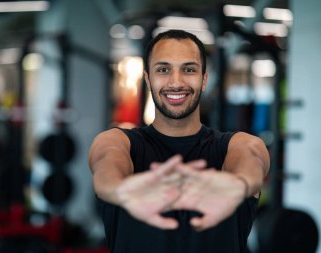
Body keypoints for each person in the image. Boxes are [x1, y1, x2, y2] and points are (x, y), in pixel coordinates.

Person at [88, 29, 270, 253]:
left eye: (189, 69)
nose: (176, 82)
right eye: (163, 70)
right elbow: (106, 166)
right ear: (148, 79)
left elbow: (252, 160)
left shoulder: (237, 145)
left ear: (204, 80)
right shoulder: (117, 141)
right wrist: (121, 190)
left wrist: (238, 185)